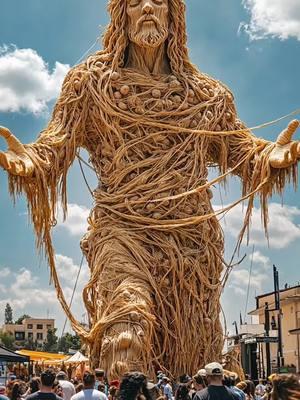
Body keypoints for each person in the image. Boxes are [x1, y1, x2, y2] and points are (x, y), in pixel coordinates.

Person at [1, 0, 299, 380]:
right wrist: (33, 162)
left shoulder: (208, 97)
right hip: (121, 231)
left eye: (157, 2)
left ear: (173, 16)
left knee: (187, 357)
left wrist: (270, 156)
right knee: (125, 330)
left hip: (191, 245)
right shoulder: (91, 85)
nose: (146, 8)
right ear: (120, 15)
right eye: (135, 2)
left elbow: (240, 149)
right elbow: (56, 144)